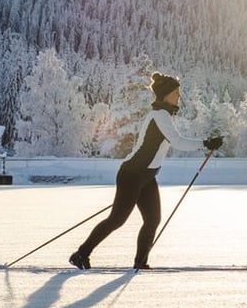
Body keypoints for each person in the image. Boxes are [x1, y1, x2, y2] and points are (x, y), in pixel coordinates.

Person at [70, 72, 223, 270]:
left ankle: (140, 263)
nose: (179, 96)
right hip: (132, 174)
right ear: (166, 94)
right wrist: (206, 143)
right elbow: (177, 141)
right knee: (117, 219)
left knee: (152, 220)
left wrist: (206, 144)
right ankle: (81, 254)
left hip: (147, 176)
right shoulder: (160, 116)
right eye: (176, 92)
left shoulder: (164, 115)